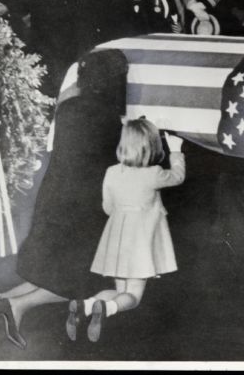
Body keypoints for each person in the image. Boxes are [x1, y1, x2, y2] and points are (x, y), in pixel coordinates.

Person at [0, 50, 129, 350]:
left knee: (53, 270)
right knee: (87, 280)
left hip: (55, 195)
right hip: (83, 205)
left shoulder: (68, 107)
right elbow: (115, 162)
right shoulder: (108, 118)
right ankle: (16, 306)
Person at [65, 119, 186, 343]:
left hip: (116, 242)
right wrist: (176, 151)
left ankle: (88, 304)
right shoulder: (154, 173)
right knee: (133, 297)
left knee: (121, 291)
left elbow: (107, 208)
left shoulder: (111, 172)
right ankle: (107, 307)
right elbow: (178, 177)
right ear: (151, 147)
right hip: (140, 244)